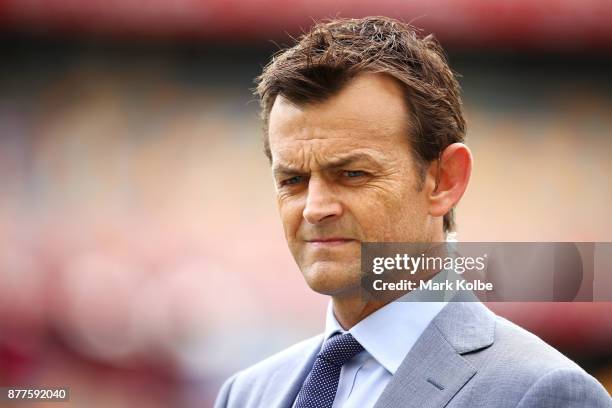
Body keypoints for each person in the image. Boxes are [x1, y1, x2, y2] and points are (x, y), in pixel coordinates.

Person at [214, 16, 611, 408]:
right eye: (293, 181)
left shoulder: (541, 392)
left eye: (352, 174)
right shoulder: (247, 394)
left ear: (444, 181)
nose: (315, 209)